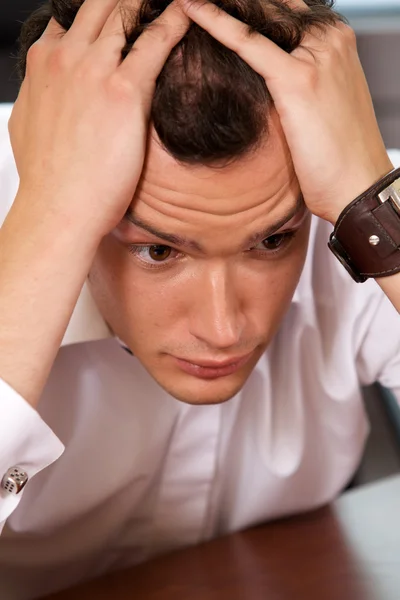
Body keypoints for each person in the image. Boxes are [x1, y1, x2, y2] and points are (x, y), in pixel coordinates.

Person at [1, 0, 400, 597]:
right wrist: (52, 218)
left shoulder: (353, 195)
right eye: (158, 250)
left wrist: (368, 205)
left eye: (272, 240)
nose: (223, 329)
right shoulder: (39, 199)